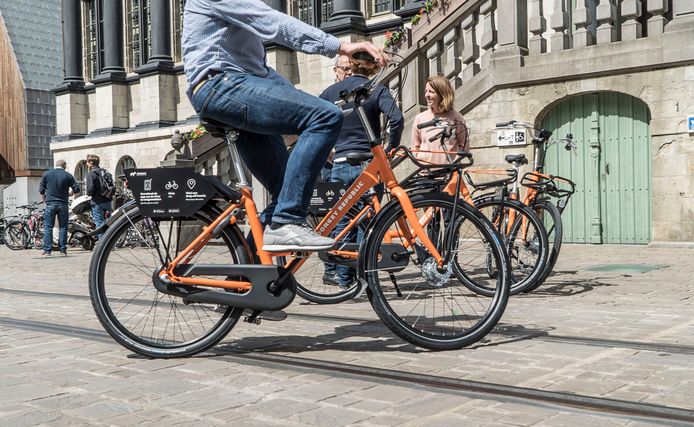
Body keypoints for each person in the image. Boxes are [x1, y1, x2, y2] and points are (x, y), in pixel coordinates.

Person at [182, 0, 386, 252]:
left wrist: (298, 102)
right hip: (220, 86)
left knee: (283, 192)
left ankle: (247, 282)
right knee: (326, 116)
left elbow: (261, 73)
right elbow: (274, 22)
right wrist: (341, 46)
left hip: (234, 87)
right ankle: (287, 222)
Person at [319, 59, 404, 288]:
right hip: (367, 163)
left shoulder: (330, 92)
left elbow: (311, 121)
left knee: (343, 218)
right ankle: (361, 277)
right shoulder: (375, 89)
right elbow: (396, 118)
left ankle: (344, 280)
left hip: (338, 162)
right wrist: (389, 149)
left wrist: (325, 148)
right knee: (367, 221)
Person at [411, 75, 469, 165]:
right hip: (426, 173)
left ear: (442, 94)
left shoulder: (457, 118)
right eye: (426, 91)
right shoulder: (420, 118)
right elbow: (415, 147)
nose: (427, 95)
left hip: (449, 174)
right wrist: (421, 161)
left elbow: (464, 145)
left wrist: (454, 163)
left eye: (431, 92)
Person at [320, 55, 354, 183]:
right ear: (335, 70)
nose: (349, 72)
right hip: (332, 160)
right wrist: (327, 150)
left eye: (352, 69)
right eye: (345, 69)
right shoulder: (327, 94)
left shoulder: (359, 92)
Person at [38, 159, 80, 256]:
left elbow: (41, 189)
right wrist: (70, 193)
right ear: (64, 166)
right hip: (63, 204)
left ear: (56, 165)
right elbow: (77, 189)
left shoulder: (47, 174)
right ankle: (62, 250)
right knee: (63, 227)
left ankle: (47, 250)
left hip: (50, 203)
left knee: (48, 227)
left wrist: (44, 199)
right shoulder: (68, 175)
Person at [86, 154, 113, 238]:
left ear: (91, 162)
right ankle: (110, 241)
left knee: (99, 223)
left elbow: (90, 189)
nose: (87, 164)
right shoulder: (104, 171)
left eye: (87, 162)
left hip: (97, 201)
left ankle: (102, 244)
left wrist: (88, 194)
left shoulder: (91, 173)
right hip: (108, 200)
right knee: (108, 222)